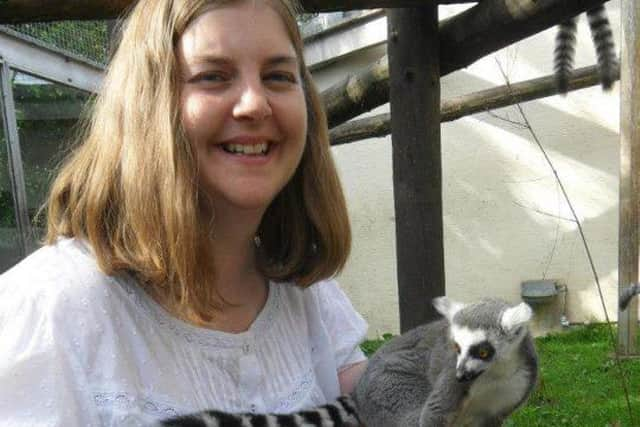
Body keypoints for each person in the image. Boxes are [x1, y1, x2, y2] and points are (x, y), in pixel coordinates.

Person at [0, 0, 368, 425]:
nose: (254, 104)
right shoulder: (49, 314)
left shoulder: (308, 295)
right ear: (146, 105)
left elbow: (383, 403)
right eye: (212, 76)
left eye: (278, 77)